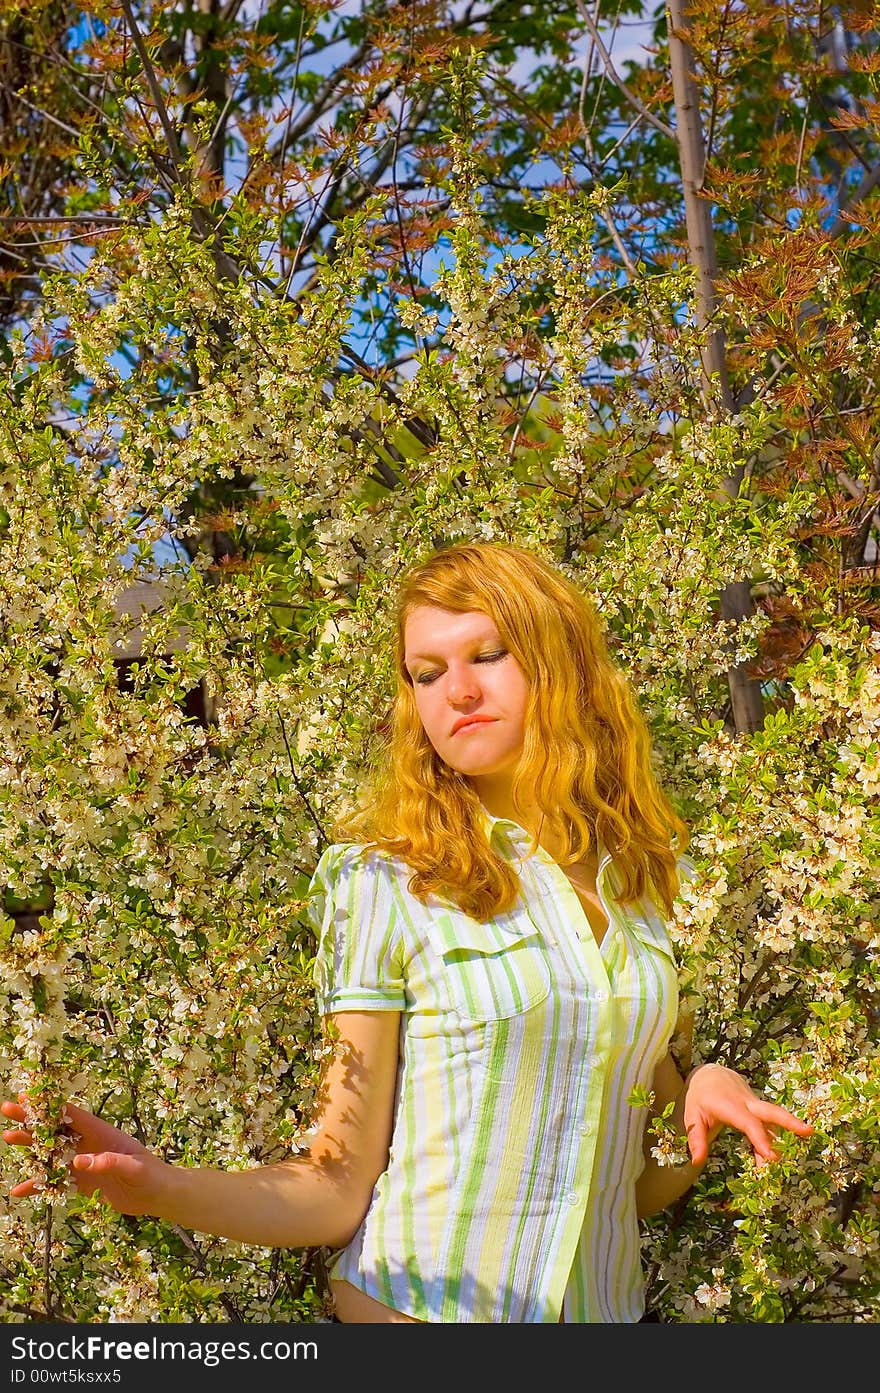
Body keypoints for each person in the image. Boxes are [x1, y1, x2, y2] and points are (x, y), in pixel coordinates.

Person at [2, 541, 813, 1324]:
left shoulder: (634, 880)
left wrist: (699, 1087)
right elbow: (336, 1178)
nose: (455, 690)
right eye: (427, 672)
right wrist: (160, 1184)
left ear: (561, 664)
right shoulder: (386, 883)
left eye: (487, 654)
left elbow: (637, 1184)